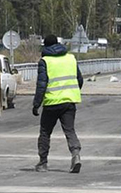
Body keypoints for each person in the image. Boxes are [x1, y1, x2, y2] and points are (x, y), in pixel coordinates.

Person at [32, 35, 84, 173]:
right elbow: (80, 79)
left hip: (52, 103)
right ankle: (76, 155)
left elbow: (41, 85)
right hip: (69, 102)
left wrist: (36, 104)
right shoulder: (70, 58)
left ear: (45, 46)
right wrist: (72, 92)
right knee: (70, 130)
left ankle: (43, 163)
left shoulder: (45, 61)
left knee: (45, 132)